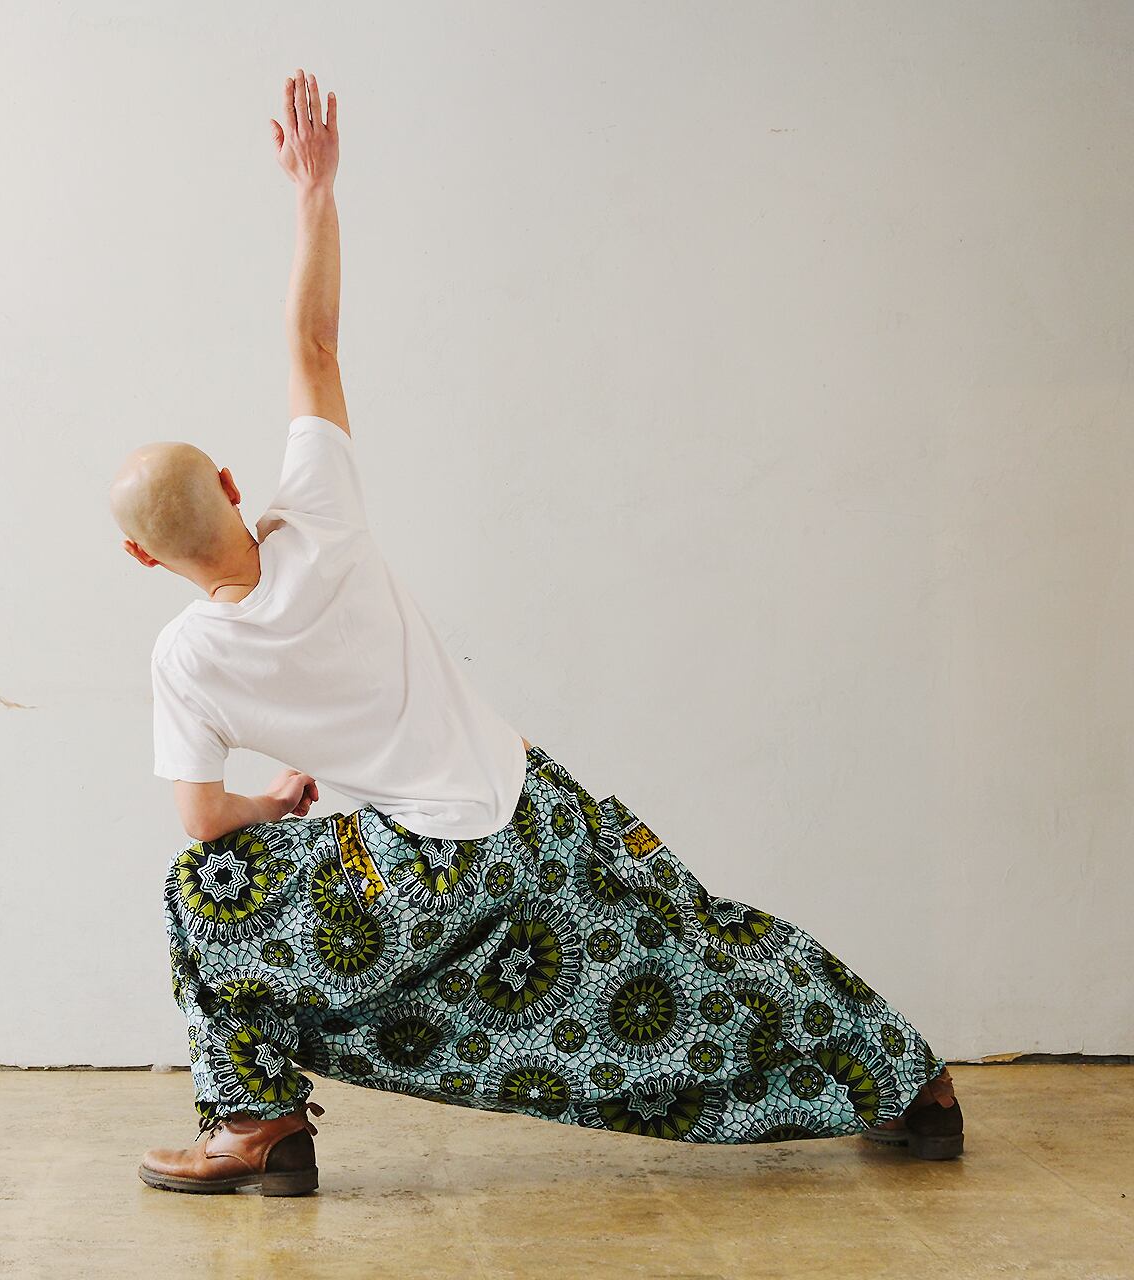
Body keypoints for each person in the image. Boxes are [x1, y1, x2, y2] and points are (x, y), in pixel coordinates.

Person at [109, 68, 962, 1197]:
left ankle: (255, 1122)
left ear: (143, 560)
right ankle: (912, 1085)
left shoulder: (185, 657)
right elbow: (313, 345)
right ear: (229, 482)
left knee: (201, 890)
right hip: (530, 804)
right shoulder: (320, 512)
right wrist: (313, 191)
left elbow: (203, 821)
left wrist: (272, 801)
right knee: (698, 940)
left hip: (428, 869)